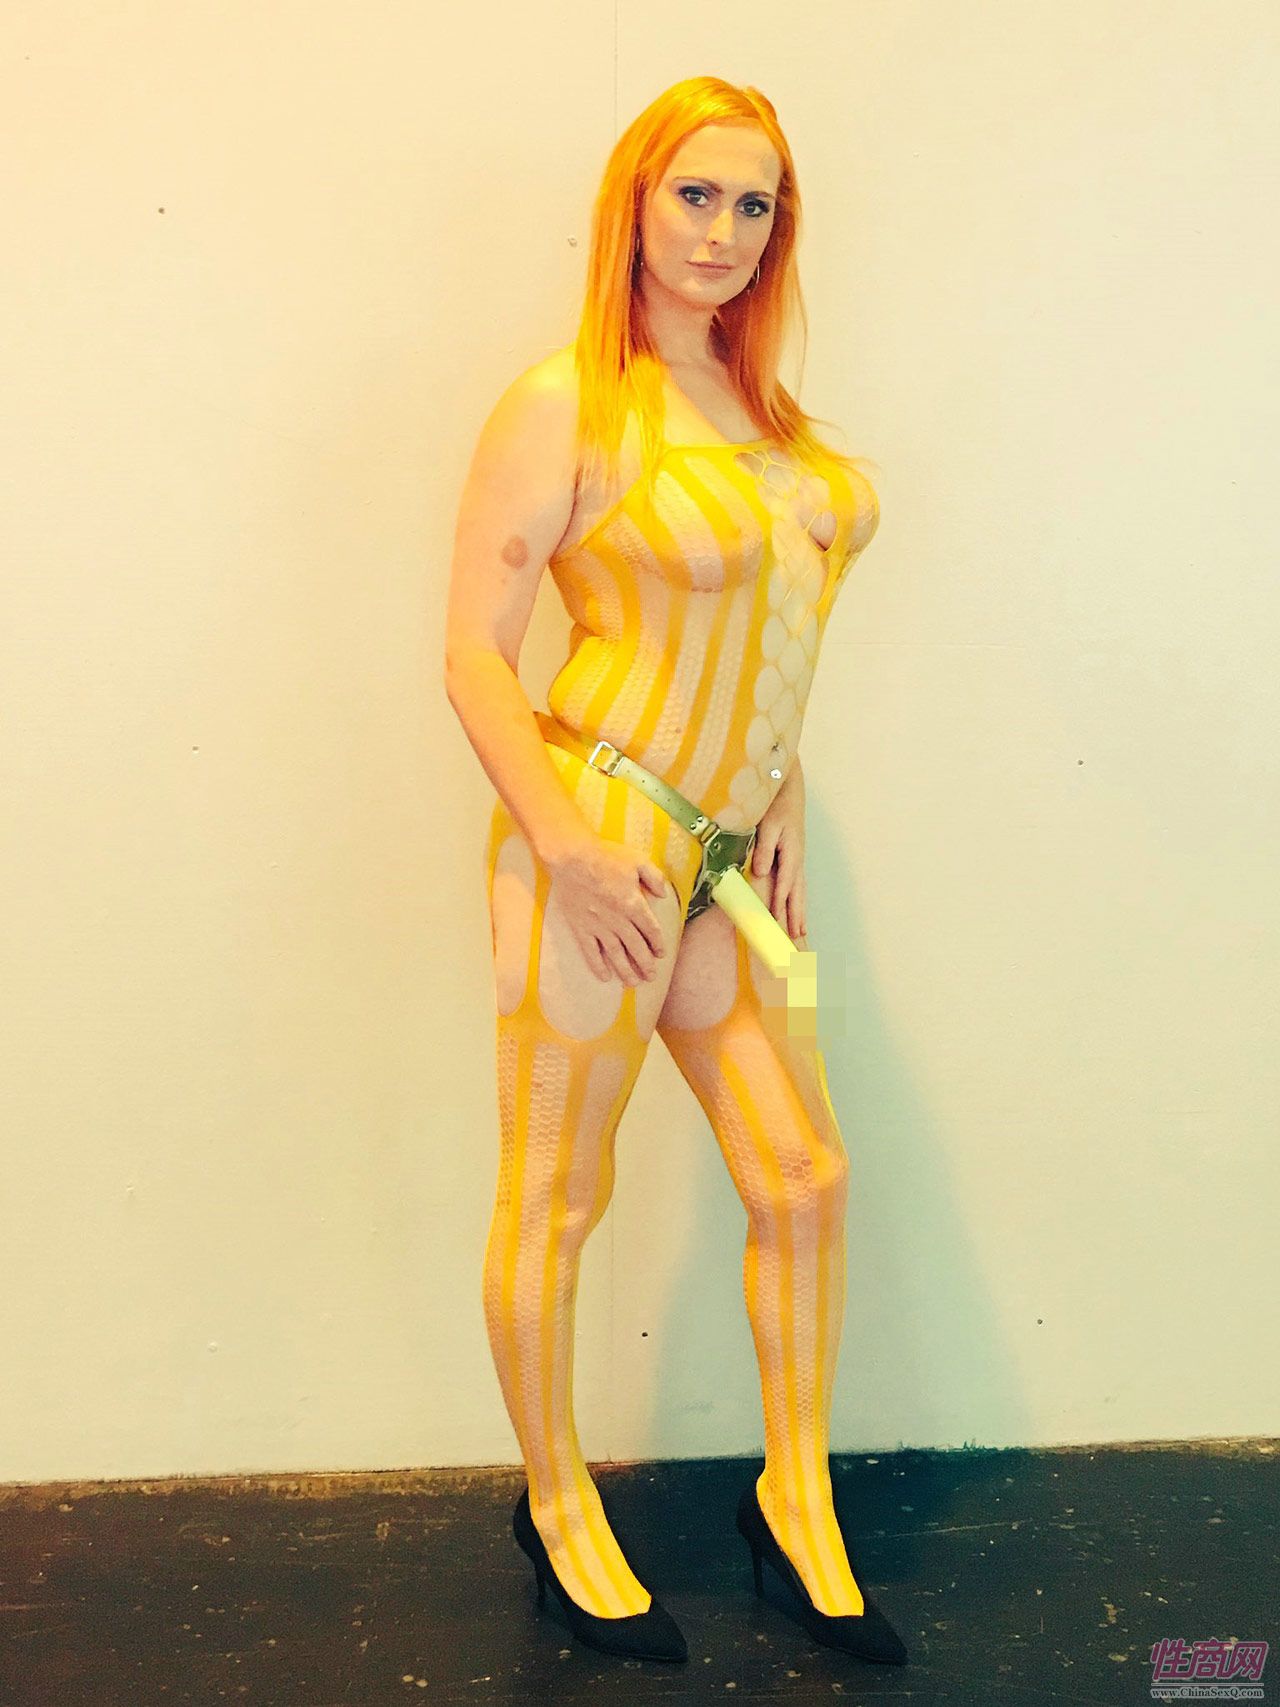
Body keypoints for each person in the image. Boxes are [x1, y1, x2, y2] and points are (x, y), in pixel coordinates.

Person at [444, 75, 904, 1667]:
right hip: (601, 841)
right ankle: (558, 1506)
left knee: (805, 1177)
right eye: (694, 194)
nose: (722, 229)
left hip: (729, 861)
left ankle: (796, 1503)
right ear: (634, 205)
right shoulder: (568, 401)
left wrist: (785, 792)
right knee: (558, 1193)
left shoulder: (763, 413)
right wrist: (566, 852)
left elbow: (770, 631)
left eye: (753, 203)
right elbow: (474, 655)